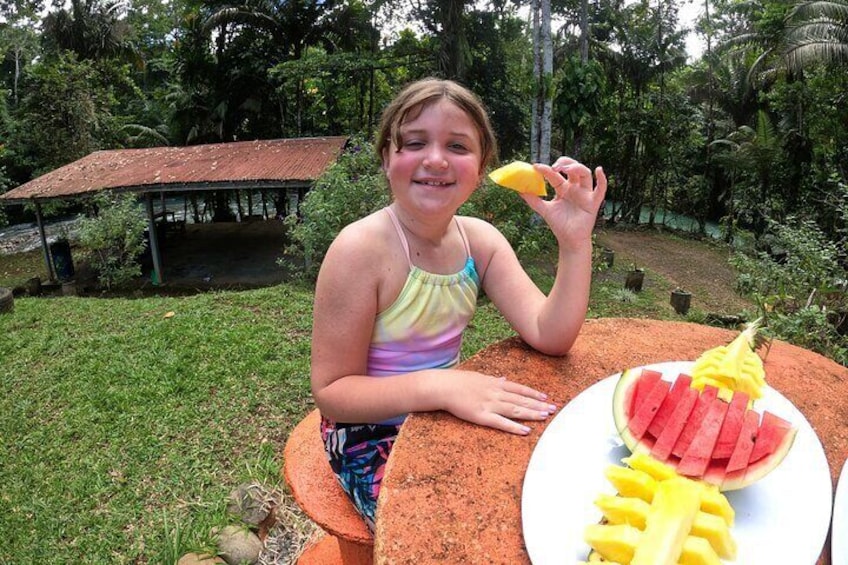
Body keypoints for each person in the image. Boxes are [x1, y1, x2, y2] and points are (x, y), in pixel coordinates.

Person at [310, 78, 607, 531]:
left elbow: (552, 335)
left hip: (446, 412)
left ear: (482, 164)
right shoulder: (360, 250)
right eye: (414, 142)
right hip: (366, 433)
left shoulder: (480, 242)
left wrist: (574, 243)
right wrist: (445, 387)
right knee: (446, 533)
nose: (435, 158)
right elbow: (333, 392)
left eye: (457, 145)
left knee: (544, 502)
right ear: (388, 157)